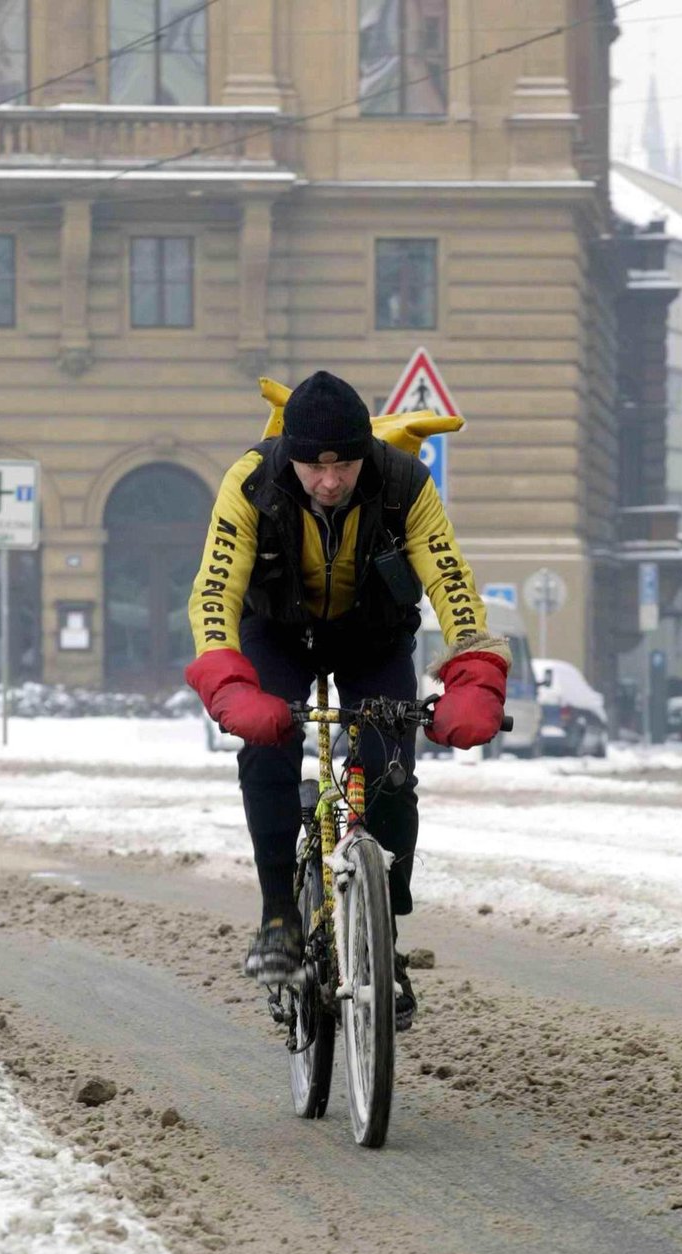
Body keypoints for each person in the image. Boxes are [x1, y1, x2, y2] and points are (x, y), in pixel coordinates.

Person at [185, 371, 509, 1028]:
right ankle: (279, 915)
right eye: (313, 465)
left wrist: (474, 672)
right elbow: (214, 591)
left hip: (373, 639)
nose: (329, 481)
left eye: (344, 464)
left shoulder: (404, 485)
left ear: (366, 453)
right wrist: (229, 681)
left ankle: (382, 936)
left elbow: (452, 583)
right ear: (292, 456)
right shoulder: (250, 482)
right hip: (275, 633)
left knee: (391, 772)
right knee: (267, 750)